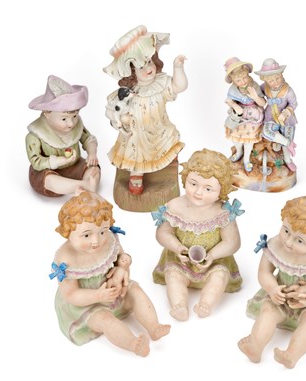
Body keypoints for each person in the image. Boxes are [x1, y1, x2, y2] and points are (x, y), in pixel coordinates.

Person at [50, 191, 170, 356]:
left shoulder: (109, 239)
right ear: (68, 232)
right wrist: (98, 296)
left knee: (136, 291)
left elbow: (123, 258)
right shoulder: (66, 259)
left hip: (115, 291)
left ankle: (154, 326)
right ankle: (133, 343)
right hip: (86, 305)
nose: (96, 241)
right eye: (86, 235)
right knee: (105, 320)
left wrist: (122, 269)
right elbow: (71, 295)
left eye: (102, 231)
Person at [239, 195, 306, 368]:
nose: (288, 242)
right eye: (286, 231)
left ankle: (292, 354)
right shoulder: (276, 245)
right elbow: (264, 272)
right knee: (268, 309)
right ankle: (255, 346)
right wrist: (273, 289)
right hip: (281, 299)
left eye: (300, 240)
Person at [152, 149, 244, 321]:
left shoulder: (223, 212)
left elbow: (232, 242)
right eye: (193, 184)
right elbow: (162, 233)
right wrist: (177, 247)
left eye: (208, 188)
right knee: (173, 275)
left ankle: (206, 304)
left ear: (222, 190)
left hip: (214, 262)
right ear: (185, 178)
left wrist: (212, 255)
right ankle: (179, 305)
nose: (198, 192)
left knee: (219, 277)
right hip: (181, 260)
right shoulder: (175, 206)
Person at [103, 25, 187, 195]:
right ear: (131, 72)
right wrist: (123, 119)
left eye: (149, 62)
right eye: (141, 67)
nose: (148, 68)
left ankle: (166, 160)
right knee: (136, 153)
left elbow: (180, 86)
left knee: (167, 140)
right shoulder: (127, 93)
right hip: (138, 134)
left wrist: (178, 68)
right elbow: (113, 111)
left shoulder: (161, 83)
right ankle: (137, 173)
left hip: (159, 129)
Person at [25, 75, 100, 197]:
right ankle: (86, 186)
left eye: (74, 116)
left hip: (74, 166)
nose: (71, 123)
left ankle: (78, 186)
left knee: (94, 169)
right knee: (49, 180)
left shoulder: (76, 126)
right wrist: (58, 161)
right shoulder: (35, 135)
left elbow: (88, 138)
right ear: (47, 113)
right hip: (49, 171)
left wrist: (92, 153)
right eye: (64, 119)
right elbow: (36, 161)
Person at [255, 58, 298, 171]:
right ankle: (288, 143)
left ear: (281, 74)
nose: (275, 82)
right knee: (266, 131)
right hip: (271, 117)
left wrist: (286, 113)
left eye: (277, 78)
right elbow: (258, 94)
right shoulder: (264, 87)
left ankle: (288, 159)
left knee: (287, 135)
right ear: (265, 80)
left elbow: (294, 104)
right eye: (271, 81)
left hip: (286, 120)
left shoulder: (288, 91)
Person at [224, 57, 265, 172]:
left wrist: (255, 97)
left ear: (247, 74)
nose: (243, 82)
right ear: (233, 81)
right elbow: (228, 100)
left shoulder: (254, 85)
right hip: (239, 117)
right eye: (238, 80)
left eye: (244, 78)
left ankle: (246, 159)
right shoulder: (233, 89)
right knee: (235, 138)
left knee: (248, 141)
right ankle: (239, 151)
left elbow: (263, 103)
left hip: (253, 117)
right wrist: (234, 105)